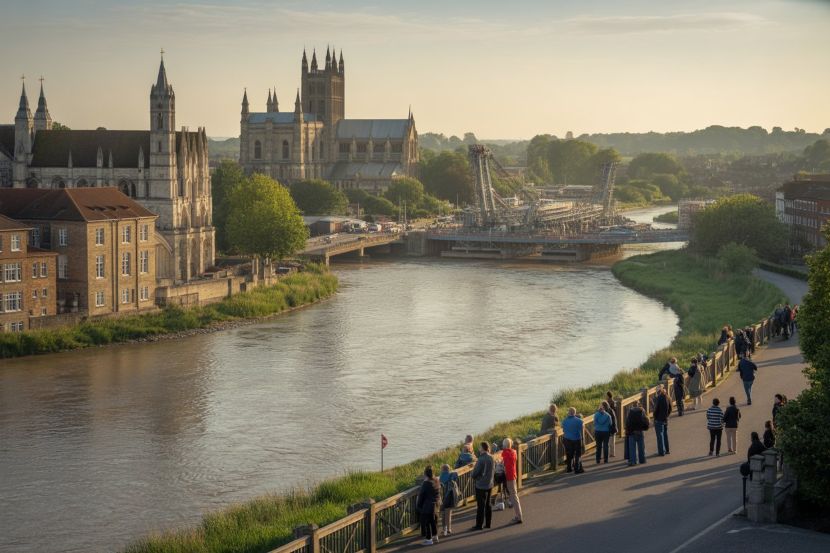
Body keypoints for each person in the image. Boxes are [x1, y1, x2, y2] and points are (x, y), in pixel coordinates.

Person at [470, 442, 494, 530]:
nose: (479, 449)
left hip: (481, 485)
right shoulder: (491, 457)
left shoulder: (481, 459)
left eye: (480, 447)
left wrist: (473, 475)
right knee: (488, 504)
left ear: (483, 448)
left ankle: (479, 525)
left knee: (481, 506)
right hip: (489, 484)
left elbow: (475, 473)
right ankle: (488, 523)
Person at [500, 438, 523, 524]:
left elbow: (503, 460)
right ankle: (518, 516)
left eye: (503, 445)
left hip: (509, 477)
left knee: (514, 496)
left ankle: (519, 516)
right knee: (514, 495)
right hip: (513, 475)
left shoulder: (505, 453)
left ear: (505, 446)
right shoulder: (514, 452)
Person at [416, 466, 440, 545]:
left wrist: (419, 505)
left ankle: (429, 539)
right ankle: (435, 536)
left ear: (425, 473)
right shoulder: (436, 480)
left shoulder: (426, 483)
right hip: (436, 504)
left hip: (428, 505)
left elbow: (421, 495)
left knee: (427, 523)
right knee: (434, 521)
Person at [625, 400, 649, 465]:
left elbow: (628, 422)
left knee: (632, 448)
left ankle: (633, 461)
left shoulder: (630, 411)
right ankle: (642, 460)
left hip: (632, 431)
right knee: (641, 446)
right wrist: (645, 427)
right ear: (638, 404)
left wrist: (627, 430)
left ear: (632, 405)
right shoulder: (642, 410)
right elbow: (646, 420)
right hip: (640, 430)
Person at [562, 407, 584, 473]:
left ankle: (569, 468)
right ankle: (577, 469)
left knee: (569, 454)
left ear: (568, 412)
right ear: (575, 413)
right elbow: (581, 429)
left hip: (567, 439)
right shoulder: (579, 421)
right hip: (576, 439)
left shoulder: (564, 421)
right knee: (577, 454)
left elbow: (563, 429)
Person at [439, 464, 459, 536]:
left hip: (444, 498)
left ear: (442, 470)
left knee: (443, 514)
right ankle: (449, 529)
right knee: (449, 514)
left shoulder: (441, 477)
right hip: (451, 497)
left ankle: (444, 529)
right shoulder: (452, 476)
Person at [653, 384, 672, 456]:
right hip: (665, 419)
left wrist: (655, 417)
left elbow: (656, 409)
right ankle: (667, 450)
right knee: (665, 435)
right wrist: (667, 415)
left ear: (659, 391)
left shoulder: (659, 398)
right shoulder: (668, 397)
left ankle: (661, 451)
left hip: (659, 419)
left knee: (660, 436)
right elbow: (670, 408)